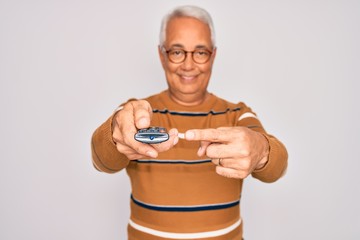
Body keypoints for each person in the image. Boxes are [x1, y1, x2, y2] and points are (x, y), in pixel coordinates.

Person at [91, 5, 288, 240]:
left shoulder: (238, 115)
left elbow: (277, 168)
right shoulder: (137, 113)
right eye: (177, 51)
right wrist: (114, 135)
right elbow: (101, 159)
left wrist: (262, 149)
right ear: (161, 55)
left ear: (213, 55)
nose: (188, 64)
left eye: (200, 52)